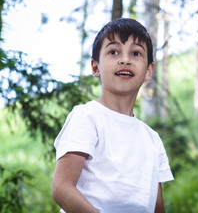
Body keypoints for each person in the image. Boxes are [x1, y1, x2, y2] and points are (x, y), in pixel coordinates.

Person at [51, 18, 174, 213]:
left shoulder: (152, 139)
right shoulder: (87, 117)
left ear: (149, 71)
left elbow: (156, 206)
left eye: (136, 53)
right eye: (113, 52)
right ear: (95, 67)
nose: (124, 60)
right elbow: (62, 188)